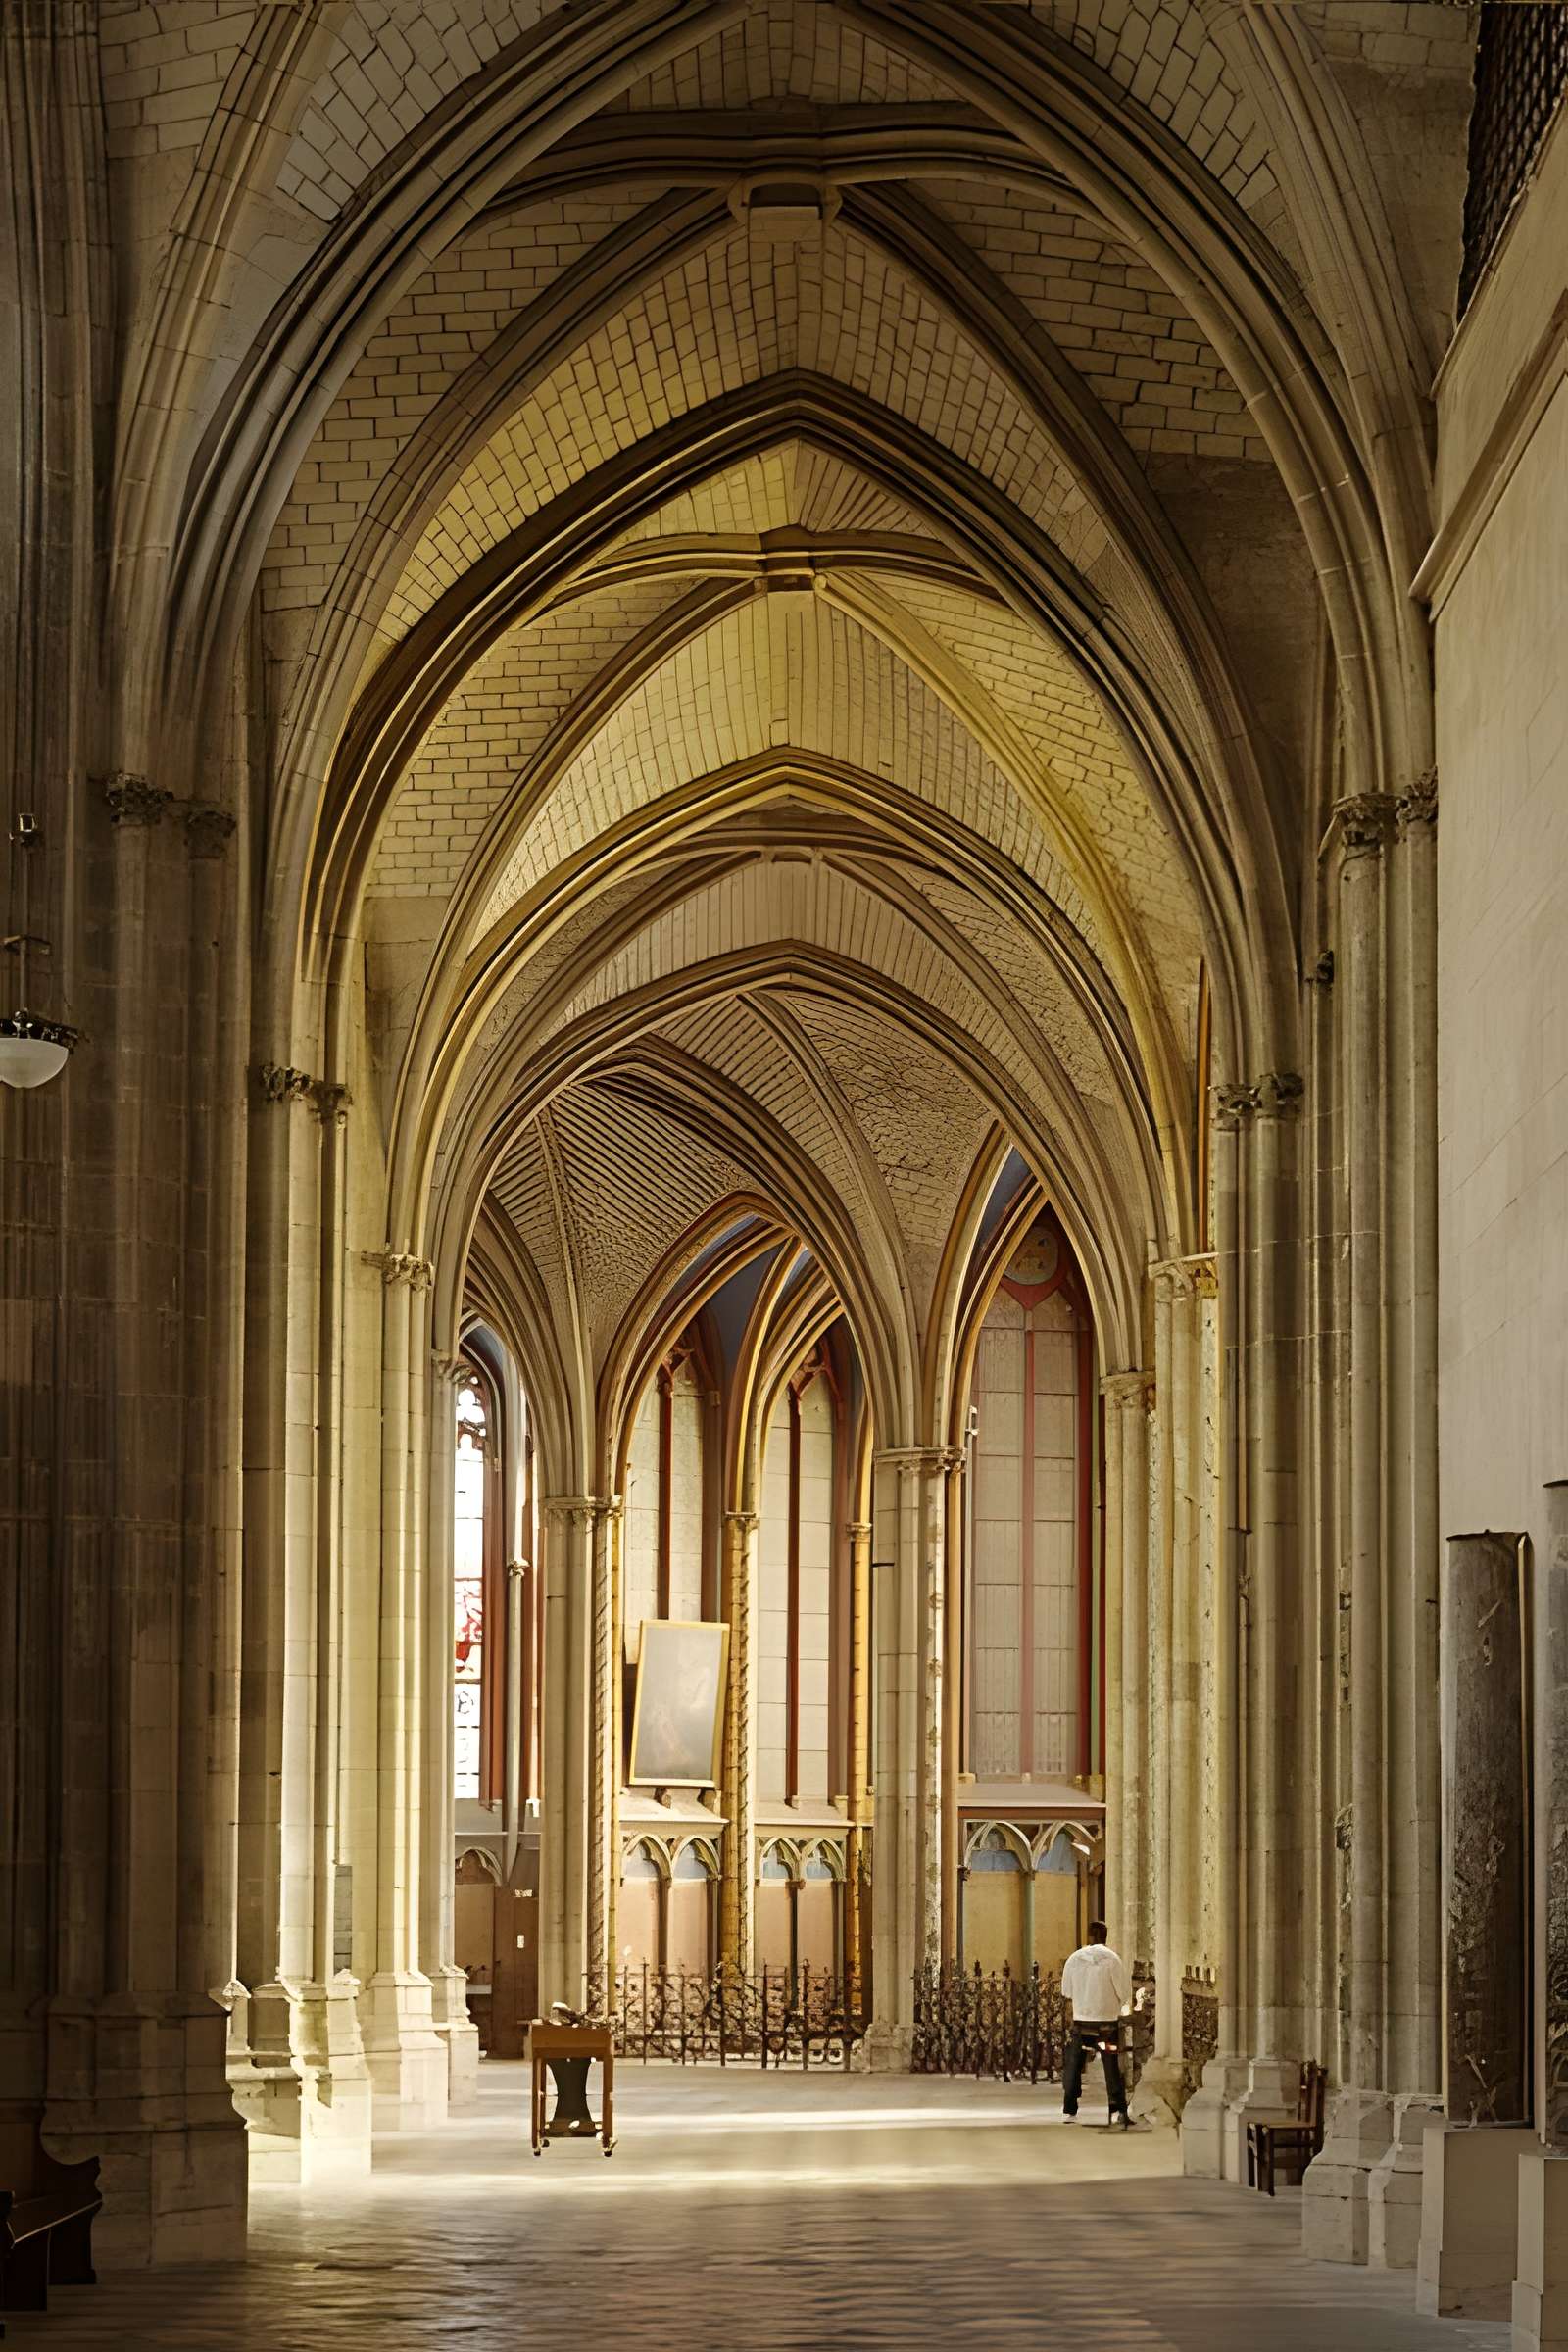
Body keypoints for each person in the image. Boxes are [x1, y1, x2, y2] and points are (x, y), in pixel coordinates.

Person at [1059, 1919, 1131, 2126]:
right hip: (1106, 2023)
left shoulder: (1074, 1959)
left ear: (1088, 1936)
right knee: (1110, 2063)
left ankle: (1069, 2108)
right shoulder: (1113, 1959)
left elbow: (1067, 1992)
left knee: (1074, 2062)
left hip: (1082, 2021)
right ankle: (1117, 2107)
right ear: (1106, 1936)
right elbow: (1123, 1992)